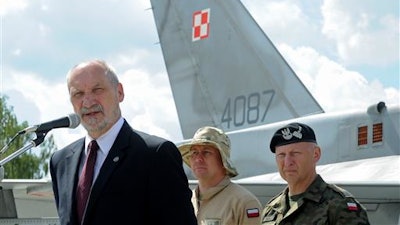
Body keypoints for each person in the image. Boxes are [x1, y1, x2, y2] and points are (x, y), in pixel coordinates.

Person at [49, 59, 197, 225]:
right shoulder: (61, 162)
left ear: (119, 92)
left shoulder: (155, 155)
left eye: (97, 90)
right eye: (78, 94)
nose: (88, 102)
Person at [261, 122, 370, 225]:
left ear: (316, 154)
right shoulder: (271, 210)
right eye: (281, 155)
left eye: (295, 153)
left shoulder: (338, 205)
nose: (288, 162)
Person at [178, 126, 262, 225]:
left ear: (222, 160)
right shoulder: (186, 201)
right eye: (194, 153)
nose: (198, 159)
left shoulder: (243, 203)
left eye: (206, 152)